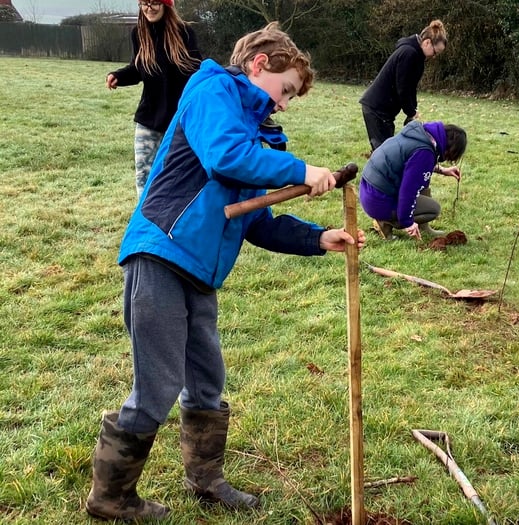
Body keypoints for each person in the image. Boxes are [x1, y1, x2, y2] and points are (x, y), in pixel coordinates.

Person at [86, 22, 365, 522]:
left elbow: (256, 218)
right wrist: (302, 171)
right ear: (260, 64)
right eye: (285, 91)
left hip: (201, 273)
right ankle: (111, 497)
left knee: (207, 381)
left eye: (292, 98)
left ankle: (207, 479)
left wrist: (317, 238)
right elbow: (223, 157)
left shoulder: (260, 135)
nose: (284, 103)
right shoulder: (212, 90)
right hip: (161, 254)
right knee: (158, 385)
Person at [106, 0, 202, 198]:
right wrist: (119, 76)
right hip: (148, 119)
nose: (149, 8)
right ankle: (145, 222)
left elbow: (196, 69)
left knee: (178, 175)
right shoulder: (138, 34)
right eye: (144, 3)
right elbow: (137, 67)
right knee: (144, 176)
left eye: (154, 2)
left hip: (179, 122)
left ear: (166, 4)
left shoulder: (184, 33)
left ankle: (174, 222)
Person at [359, 120, 466, 240]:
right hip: (379, 201)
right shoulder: (424, 152)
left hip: (368, 191)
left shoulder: (419, 134)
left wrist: (442, 170)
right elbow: (408, 191)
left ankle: (423, 227)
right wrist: (407, 222)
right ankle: (385, 222)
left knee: (422, 179)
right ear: (450, 149)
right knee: (433, 209)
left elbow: (409, 163)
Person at [359, 20, 448, 151]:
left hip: (384, 110)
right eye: (435, 52)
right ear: (427, 42)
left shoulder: (416, 56)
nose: (434, 57)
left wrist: (413, 109)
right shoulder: (409, 53)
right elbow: (403, 88)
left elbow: (411, 88)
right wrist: (410, 111)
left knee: (385, 152)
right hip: (376, 108)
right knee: (383, 154)